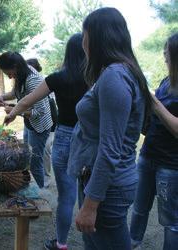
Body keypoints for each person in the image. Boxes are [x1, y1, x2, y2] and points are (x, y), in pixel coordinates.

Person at [66, 8, 152, 249]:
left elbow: (110, 148)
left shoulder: (115, 76)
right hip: (98, 181)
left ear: (96, 37)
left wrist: (91, 205)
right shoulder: (114, 73)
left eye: (85, 34)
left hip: (107, 188)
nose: (82, 42)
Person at [4, 34, 88, 250]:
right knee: (89, 194)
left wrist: (13, 113)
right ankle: (92, 240)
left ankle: (61, 243)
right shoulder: (96, 78)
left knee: (67, 197)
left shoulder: (57, 78)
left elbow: (27, 101)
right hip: (90, 139)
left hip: (64, 138)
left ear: (67, 53)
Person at [130, 33, 178, 250]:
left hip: (170, 165)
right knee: (139, 208)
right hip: (148, 156)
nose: (164, 54)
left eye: (167, 51)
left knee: (171, 221)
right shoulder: (166, 81)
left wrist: (155, 103)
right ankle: (132, 244)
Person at [0, 52, 53, 188]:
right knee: (26, 157)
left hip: (39, 126)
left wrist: (15, 111)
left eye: (9, 73)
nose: (9, 76)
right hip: (30, 124)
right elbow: (15, 93)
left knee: (34, 162)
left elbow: (39, 112)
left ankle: (39, 194)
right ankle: (28, 185)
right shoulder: (21, 72)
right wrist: (2, 97)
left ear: (15, 66)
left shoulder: (32, 80)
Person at [26, 58, 58, 187]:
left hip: (49, 121)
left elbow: (45, 109)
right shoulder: (29, 82)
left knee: (46, 150)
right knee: (37, 153)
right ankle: (41, 175)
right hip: (36, 123)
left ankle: (47, 176)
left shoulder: (38, 82)